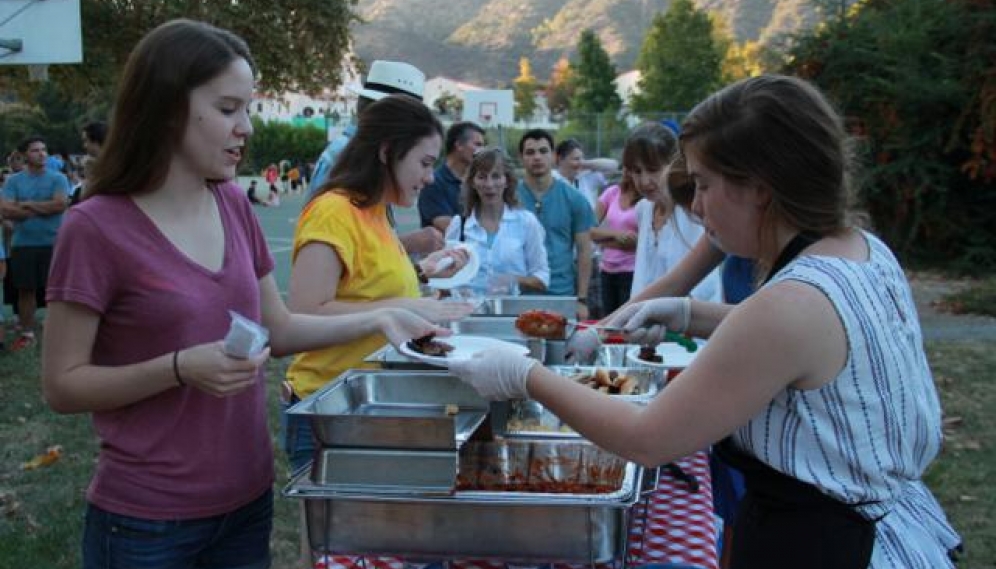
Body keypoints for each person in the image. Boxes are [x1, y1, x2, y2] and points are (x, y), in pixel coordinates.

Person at [450, 75, 961, 568]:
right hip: (880, 523)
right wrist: (689, 313)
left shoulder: (789, 307)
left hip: (817, 542)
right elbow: (815, 346)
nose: (694, 204)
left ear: (758, 188)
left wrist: (524, 376)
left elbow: (648, 438)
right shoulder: (864, 249)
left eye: (704, 184)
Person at [39, 20, 450, 569]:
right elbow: (63, 386)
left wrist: (385, 319)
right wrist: (180, 367)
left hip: (246, 502)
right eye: (229, 109)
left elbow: (280, 328)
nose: (246, 128)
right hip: (146, 520)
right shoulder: (94, 228)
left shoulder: (233, 205)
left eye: (248, 109)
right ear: (166, 107)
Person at [283, 94, 475, 472]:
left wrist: (422, 274)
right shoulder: (334, 211)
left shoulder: (377, 212)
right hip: (328, 410)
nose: (430, 177)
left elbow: (365, 288)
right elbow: (305, 314)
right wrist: (404, 307)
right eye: (423, 163)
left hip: (365, 404)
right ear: (388, 152)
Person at [307, 60, 444, 258]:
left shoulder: (368, 165)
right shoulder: (346, 160)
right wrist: (409, 243)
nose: (430, 177)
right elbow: (341, 252)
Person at [626, 125, 721, 304]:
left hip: (690, 320)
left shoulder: (693, 210)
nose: (644, 181)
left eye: (653, 169)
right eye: (637, 171)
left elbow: (704, 285)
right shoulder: (643, 209)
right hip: (645, 319)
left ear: (674, 165)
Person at [444, 147, 549, 295]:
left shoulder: (526, 222)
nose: (489, 185)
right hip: (468, 313)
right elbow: (443, 278)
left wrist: (513, 280)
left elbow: (542, 278)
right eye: (482, 177)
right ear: (472, 182)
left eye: (496, 176)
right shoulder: (459, 225)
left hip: (512, 313)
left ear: (507, 181)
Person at [516, 129, 596, 318]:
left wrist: (582, 299)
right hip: (519, 294)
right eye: (530, 152)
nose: (537, 157)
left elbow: (585, 250)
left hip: (561, 293)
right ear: (521, 157)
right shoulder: (508, 198)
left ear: (553, 156)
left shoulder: (574, 198)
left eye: (543, 151)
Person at [0, 135, 70, 351]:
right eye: (35, 150)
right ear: (24, 155)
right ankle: (28, 332)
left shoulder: (58, 178)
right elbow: (6, 210)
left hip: (54, 241)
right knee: (25, 289)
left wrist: (27, 205)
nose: (42, 154)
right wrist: (43, 207)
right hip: (23, 243)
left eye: (44, 149)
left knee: (56, 289)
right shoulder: (13, 180)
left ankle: (57, 331)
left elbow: (60, 205)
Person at [418, 121, 486, 233]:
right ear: (459, 145)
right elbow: (446, 224)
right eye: (477, 144)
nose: (481, 151)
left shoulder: (476, 181)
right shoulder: (434, 182)